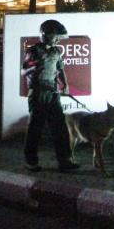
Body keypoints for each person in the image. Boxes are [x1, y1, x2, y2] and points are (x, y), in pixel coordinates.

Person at [22, 19, 78, 172]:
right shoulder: (33, 51)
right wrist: (35, 70)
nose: (58, 39)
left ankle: (64, 160)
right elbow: (23, 71)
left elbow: (60, 69)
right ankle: (30, 161)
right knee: (35, 129)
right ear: (45, 34)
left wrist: (65, 85)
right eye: (55, 36)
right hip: (38, 93)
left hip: (53, 94)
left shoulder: (56, 51)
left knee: (60, 127)